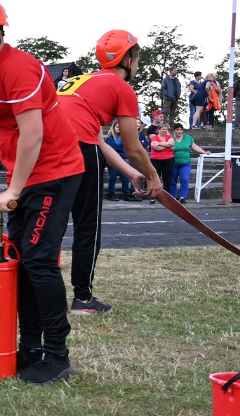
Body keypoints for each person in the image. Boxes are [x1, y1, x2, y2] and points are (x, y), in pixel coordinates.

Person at [0, 0, 84, 385]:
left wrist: (14, 189)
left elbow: (33, 134)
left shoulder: (21, 67)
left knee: (39, 261)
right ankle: (29, 347)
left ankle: (57, 355)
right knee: (20, 261)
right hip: (22, 177)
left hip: (55, 171)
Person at [55, 29, 163, 315]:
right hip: (78, 149)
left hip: (44, 146)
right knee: (87, 226)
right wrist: (152, 175)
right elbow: (134, 146)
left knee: (49, 225)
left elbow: (100, 141)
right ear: (127, 60)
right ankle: (83, 298)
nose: (138, 66)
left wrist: (131, 174)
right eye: (137, 59)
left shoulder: (82, 81)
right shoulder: (122, 88)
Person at [170, 124, 207, 202]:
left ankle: (183, 197)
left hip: (185, 162)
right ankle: (172, 196)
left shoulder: (188, 138)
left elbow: (195, 147)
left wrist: (204, 152)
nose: (179, 131)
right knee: (172, 180)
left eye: (181, 129)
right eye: (177, 130)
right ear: (174, 131)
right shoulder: (170, 138)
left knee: (184, 179)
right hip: (172, 162)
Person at [103, 123, 134, 201]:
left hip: (123, 160)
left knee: (125, 178)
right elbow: (111, 148)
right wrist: (120, 149)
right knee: (112, 178)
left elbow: (127, 148)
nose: (118, 128)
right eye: (117, 126)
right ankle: (111, 194)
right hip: (112, 160)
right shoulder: (109, 138)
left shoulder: (124, 138)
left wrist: (119, 149)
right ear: (113, 127)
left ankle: (126, 195)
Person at [149, 123, 175, 199]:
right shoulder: (154, 137)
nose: (165, 131)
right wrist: (168, 147)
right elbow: (156, 148)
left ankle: (167, 198)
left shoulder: (170, 137)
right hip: (156, 160)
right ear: (159, 130)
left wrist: (159, 143)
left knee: (168, 179)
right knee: (155, 178)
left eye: (166, 129)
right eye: (163, 129)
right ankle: (153, 196)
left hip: (169, 160)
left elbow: (171, 143)